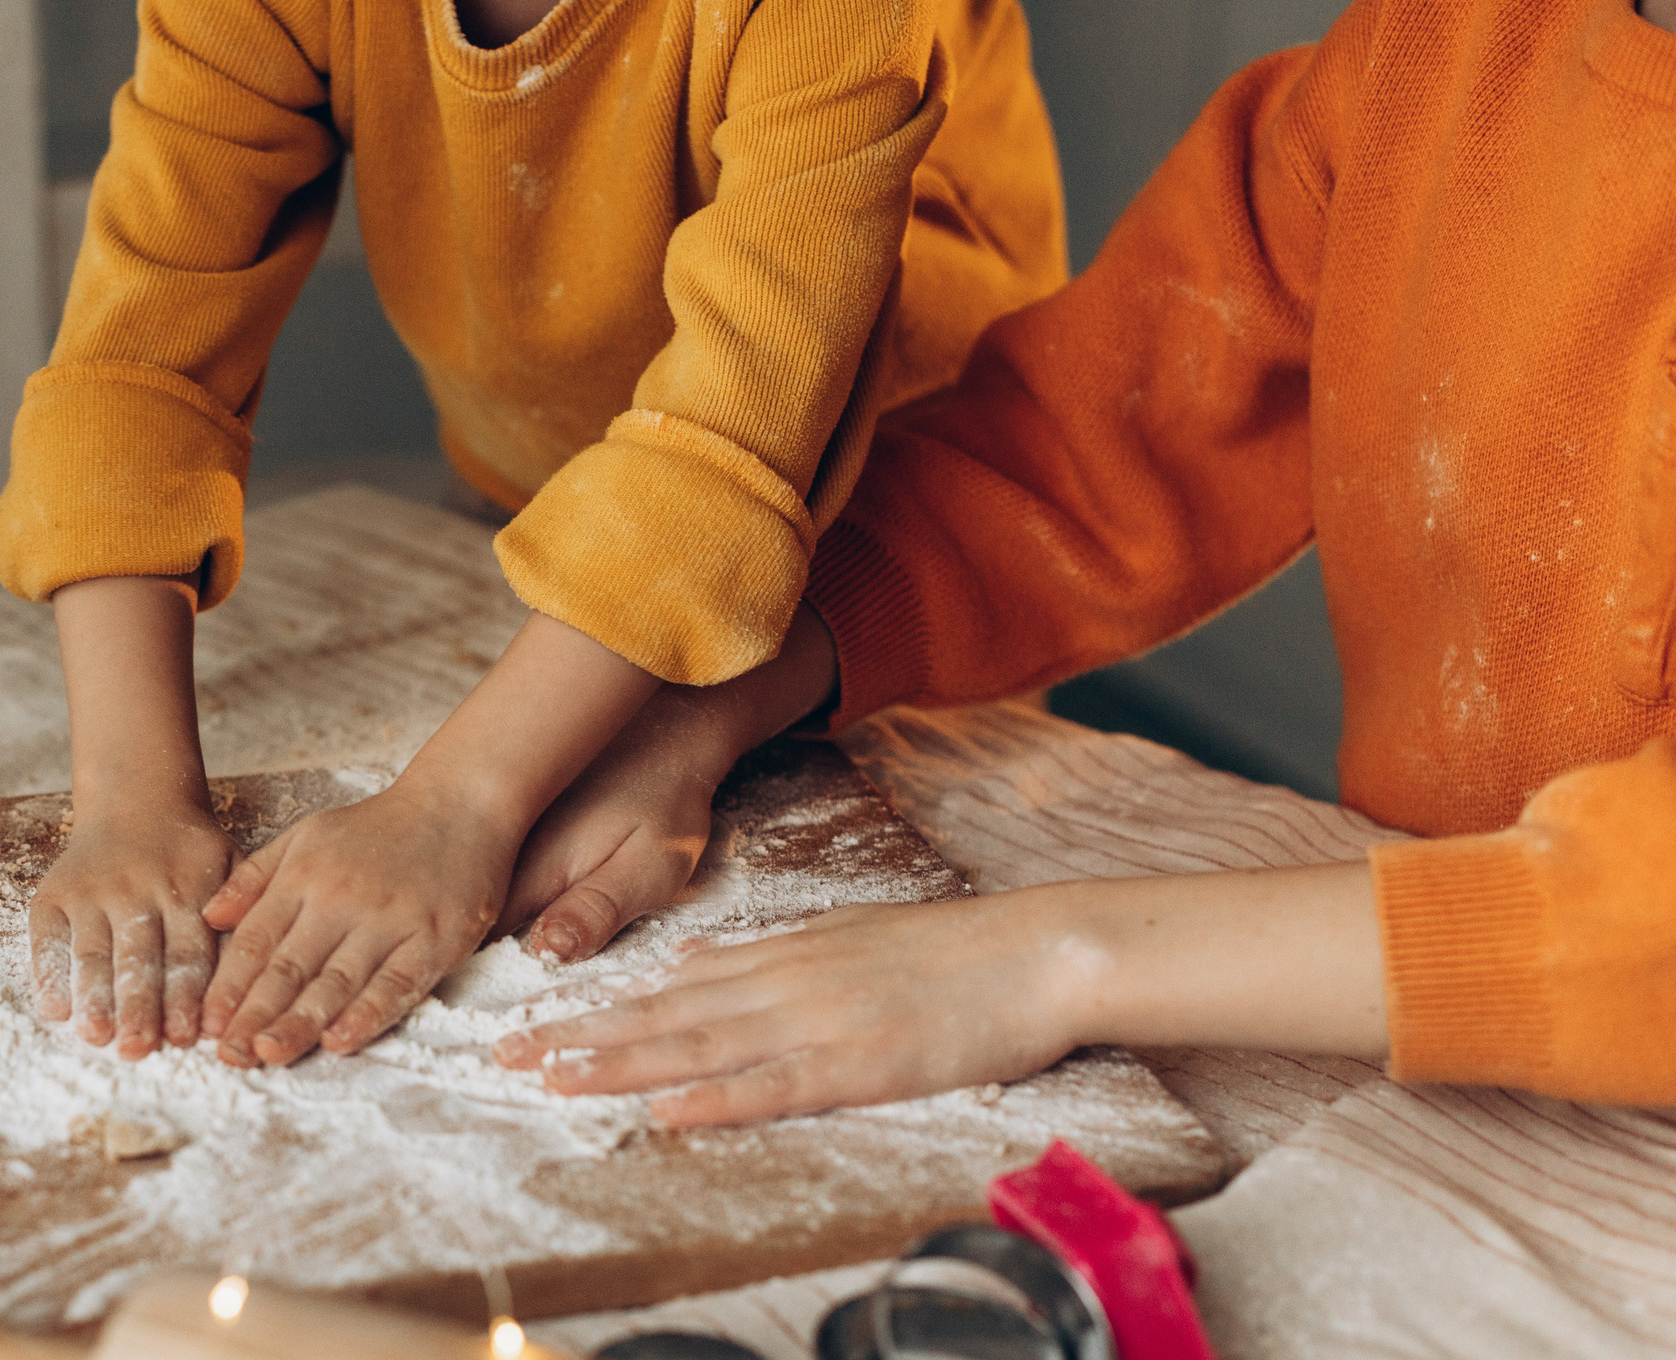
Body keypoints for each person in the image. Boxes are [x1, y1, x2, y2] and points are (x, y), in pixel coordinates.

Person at [495, 0, 1676, 1119]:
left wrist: (1057, 959)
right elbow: (1078, 451)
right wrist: (712, 707)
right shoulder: (1436, 49)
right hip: (1416, 1039)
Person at [0, 0, 1067, 1065]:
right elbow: (138, 362)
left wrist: (460, 800)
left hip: (897, 532)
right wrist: (132, 801)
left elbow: (740, 431)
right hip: (566, 512)